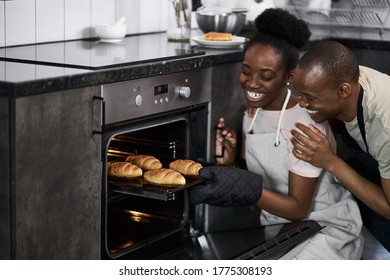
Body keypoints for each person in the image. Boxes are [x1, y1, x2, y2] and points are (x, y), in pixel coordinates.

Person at [190, 8, 363, 259]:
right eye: (247, 70)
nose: (252, 83)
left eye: (267, 76)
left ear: (288, 77)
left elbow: (297, 209)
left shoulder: (305, 125)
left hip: (324, 228)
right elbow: (263, 178)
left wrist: (246, 190)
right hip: (277, 227)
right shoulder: (251, 114)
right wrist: (230, 166)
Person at [290, 40, 390, 253]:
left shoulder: (384, 125)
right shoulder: (342, 80)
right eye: (301, 94)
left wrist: (330, 161)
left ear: (344, 90)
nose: (302, 103)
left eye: (310, 98)